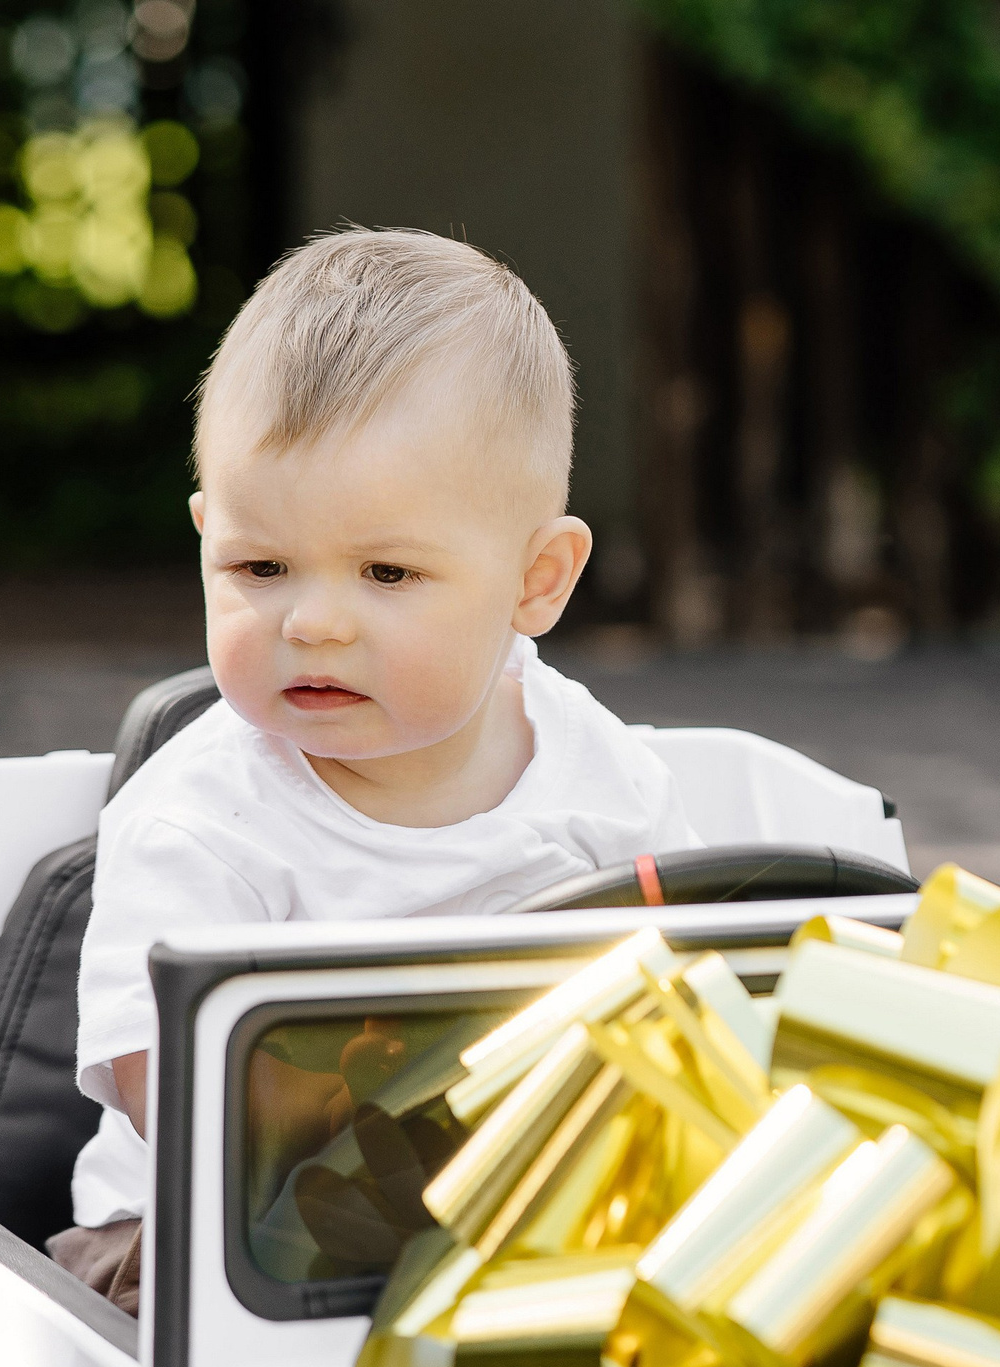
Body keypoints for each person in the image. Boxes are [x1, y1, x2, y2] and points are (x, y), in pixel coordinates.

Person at [47, 228, 701, 1309]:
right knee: (173, 1305)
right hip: (213, 1236)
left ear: (536, 580)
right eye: (260, 567)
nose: (313, 621)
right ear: (207, 539)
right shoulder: (203, 820)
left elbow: (695, 1003)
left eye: (386, 572)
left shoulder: (607, 780)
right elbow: (183, 1104)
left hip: (527, 1209)